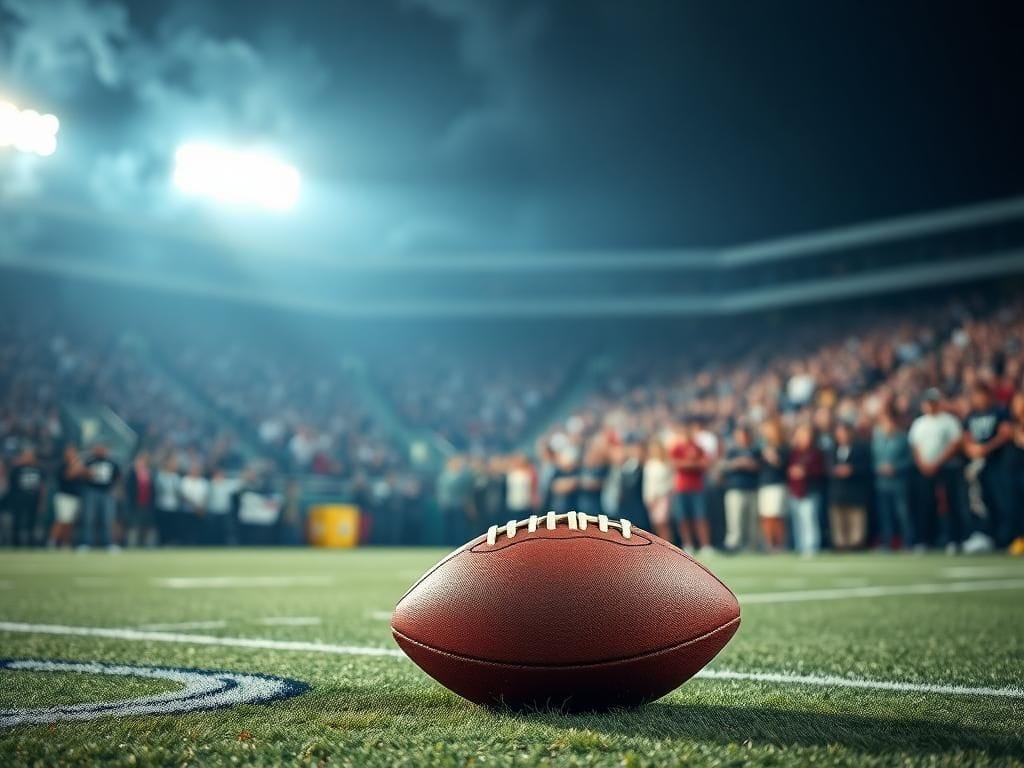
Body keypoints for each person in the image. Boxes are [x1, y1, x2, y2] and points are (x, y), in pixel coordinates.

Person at [909, 389, 967, 552]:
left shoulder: (948, 421)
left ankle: (953, 539)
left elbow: (955, 444)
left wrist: (938, 462)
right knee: (925, 504)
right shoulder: (919, 423)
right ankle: (925, 540)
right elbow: (915, 446)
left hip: (946, 469)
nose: (930, 405)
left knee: (950, 504)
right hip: (925, 469)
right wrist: (923, 464)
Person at [963, 382, 1016, 551]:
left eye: (980, 395)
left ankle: (1007, 538)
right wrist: (972, 449)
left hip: (998, 464)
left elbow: (1006, 432)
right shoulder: (971, 415)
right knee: (983, 503)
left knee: (1003, 501)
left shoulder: (999, 412)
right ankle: (990, 537)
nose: (978, 399)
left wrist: (987, 448)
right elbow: (966, 437)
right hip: (979, 467)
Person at [827, 422, 871, 551]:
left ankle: (856, 543)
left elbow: (867, 467)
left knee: (856, 518)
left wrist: (852, 470)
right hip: (837, 491)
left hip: (855, 490)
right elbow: (827, 467)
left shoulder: (861, 448)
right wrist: (836, 470)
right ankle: (840, 544)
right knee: (838, 520)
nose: (842, 436)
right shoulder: (832, 449)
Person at [873, 409, 913, 550]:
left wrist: (895, 468)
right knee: (885, 515)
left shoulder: (902, 438)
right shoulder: (877, 439)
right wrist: (878, 467)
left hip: (898, 482)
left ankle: (908, 542)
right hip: (882, 483)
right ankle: (887, 543)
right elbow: (873, 459)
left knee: (903, 514)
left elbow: (909, 461)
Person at [670, 419, 711, 553]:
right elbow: (674, 464)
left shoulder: (698, 447)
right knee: (683, 518)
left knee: (700, 517)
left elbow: (705, 464)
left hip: (696, 487)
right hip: (681, 487)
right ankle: (688, 545)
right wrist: (692, 464)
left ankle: (705, 545)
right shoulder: (677, 447)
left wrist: (687, 464)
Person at [787, 424, 824, 556]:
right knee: (798, 521)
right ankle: (800, 546)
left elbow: (820, 471)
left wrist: (805, 472)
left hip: (810, 491)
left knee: (809, 520)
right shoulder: (794, 452)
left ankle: (811, 546)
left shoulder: (816, 452)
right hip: (795, 491)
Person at [722, 426, 760, 552]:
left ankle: (751, 546)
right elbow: (723, 467)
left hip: (752, 488)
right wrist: (737, 463)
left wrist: (750, 465)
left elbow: (760, 467)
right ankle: (733, 545)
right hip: (734, 489)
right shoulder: (731, 451)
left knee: (752, 521)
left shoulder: (755, 450)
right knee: (735, 520)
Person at [757, 419, 789, 552]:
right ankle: (769, 544)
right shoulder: (761, 446)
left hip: (777, 484)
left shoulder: (782, 447)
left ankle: (779, 544)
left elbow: (781, 464)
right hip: (764, 484)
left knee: (776, 515)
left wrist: (772, 456)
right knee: (766, 516)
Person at [81, 444, 120, 551]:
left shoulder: (112, 462)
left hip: (107, 492)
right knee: (88, 518)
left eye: (104, 448)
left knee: (108, 519)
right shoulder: (89, 461)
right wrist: (87, 473)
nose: (102, 450)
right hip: (91, 491)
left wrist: (115, 491)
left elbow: (118, 477)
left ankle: (108, 543)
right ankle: (86, 542)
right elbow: (81, 475)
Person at [50, 444, 87, 549]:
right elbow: (69, 475)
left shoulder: (78, 465)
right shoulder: (62, 465)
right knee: (61, 521)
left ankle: (65, 544)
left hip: (75, 496)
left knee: (70, 523)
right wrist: (76, 465)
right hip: (64, 496)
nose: (72, 454)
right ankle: (52, 542)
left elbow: (87, 475)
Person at [8, 445, 45, 547]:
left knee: (31, 523)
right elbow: (12, 485)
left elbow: (42, 486)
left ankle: (31, 544)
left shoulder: (39, 468)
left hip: (33, 500)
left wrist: (41, 502)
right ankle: (15, 545)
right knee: (17, 523)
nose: (28, 457)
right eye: (26, 455)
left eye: (30, 455)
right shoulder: (16, 469)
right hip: (19, 500)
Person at [642, 438, 674, 542]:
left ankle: (669, 544)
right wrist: (648, 497)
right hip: (651, 498)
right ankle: (661, 544)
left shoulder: (666, 464)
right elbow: (648, 483)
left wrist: (663, 493)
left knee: (663, 522)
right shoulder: (649, 464)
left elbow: (671, 481)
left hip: (662, 497)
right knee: (656, 524)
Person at [124, 451, 156, 547]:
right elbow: (128, 489)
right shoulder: (132, 473)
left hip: (147, 504)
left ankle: (148, 546)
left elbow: (153, 490)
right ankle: (132, 545)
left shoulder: (150, 473)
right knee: (134, 526)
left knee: (148, 526)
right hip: (135, 504)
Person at [154, 457, 182, 545]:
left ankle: (171, 542)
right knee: (163, 526)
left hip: (173, 505)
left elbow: (178, 492)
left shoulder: (175, 477)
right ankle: (162, 543)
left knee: (172, 526)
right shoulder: (160, 476)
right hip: (162, 505)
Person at [180, 462, 210, 546]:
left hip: (200, 512)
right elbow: (184, 496)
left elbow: (206, 497)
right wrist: (195, 507)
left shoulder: (203, 482)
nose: (196, 471)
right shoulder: (185, 480)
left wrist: (202, 508)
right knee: (187, 532)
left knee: (199, 532)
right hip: (188, 511)